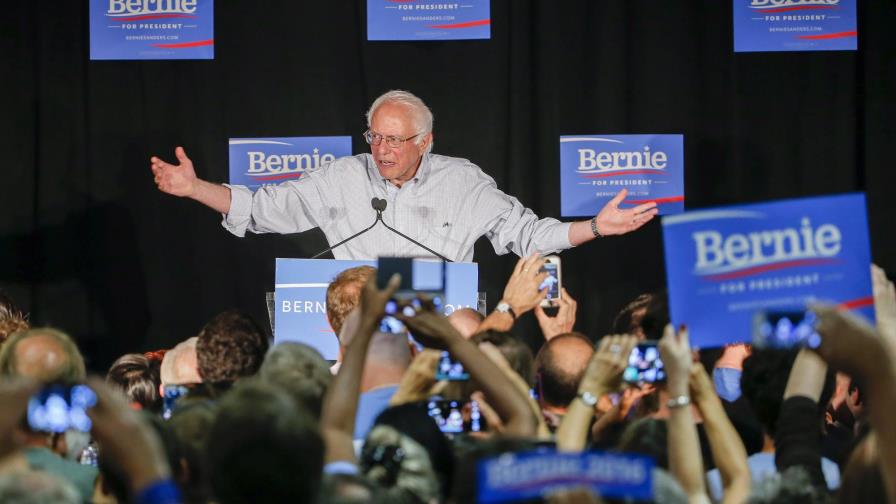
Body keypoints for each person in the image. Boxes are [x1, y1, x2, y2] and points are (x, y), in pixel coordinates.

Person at [150, 90, 658, 262]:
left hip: (440, 336)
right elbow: (261, 209)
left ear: (425, 142)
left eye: (396, 140)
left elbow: (527, 234)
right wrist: (195, 188)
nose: (383, 149)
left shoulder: (464, 182)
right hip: (350, 335)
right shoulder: (341, 177)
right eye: (375, 137)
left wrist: (593, 227)